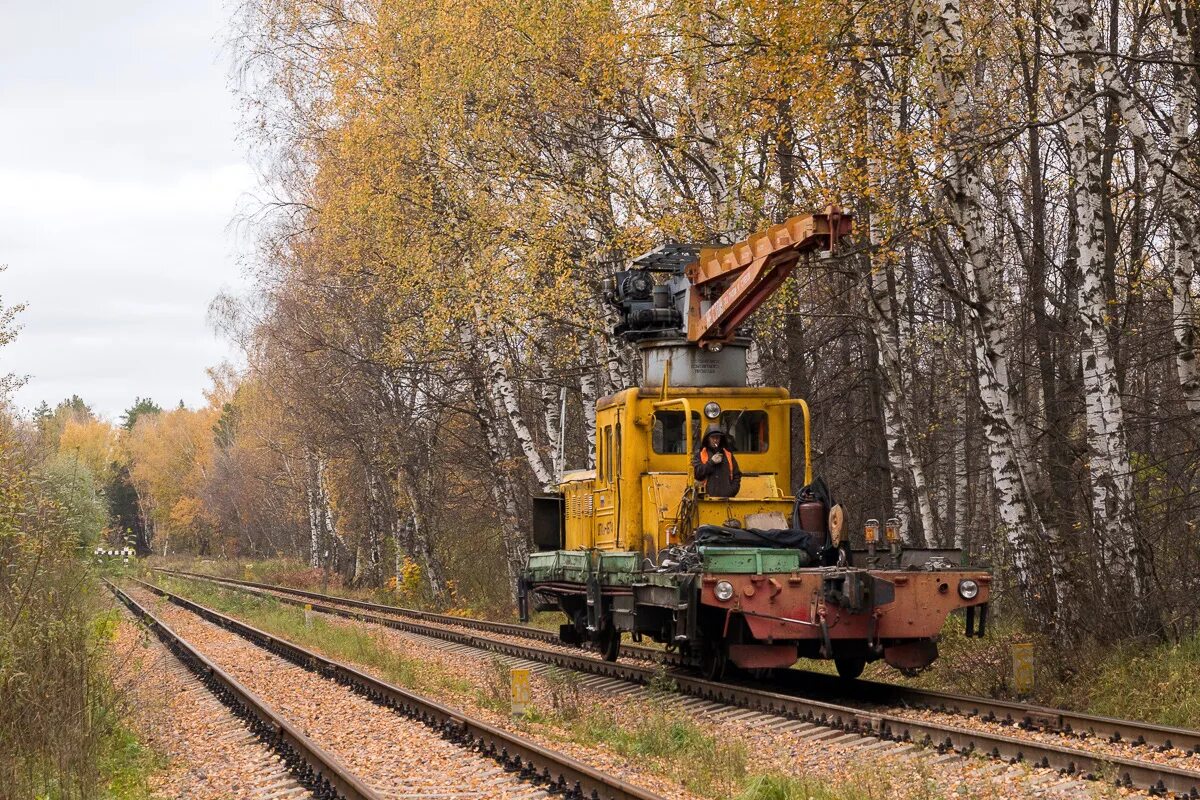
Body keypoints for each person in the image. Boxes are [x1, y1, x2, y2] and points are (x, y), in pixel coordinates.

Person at [692, 424, 742, 497]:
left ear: (721, 439)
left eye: (717, 437)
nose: (715, 440)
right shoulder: (699, 455)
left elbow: (737, 475)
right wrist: (711, 462)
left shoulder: (728, 455)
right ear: (708, 439)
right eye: (712, 437)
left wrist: (731, 491)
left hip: (726, 500)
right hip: (705, 499)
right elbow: (697, 474)